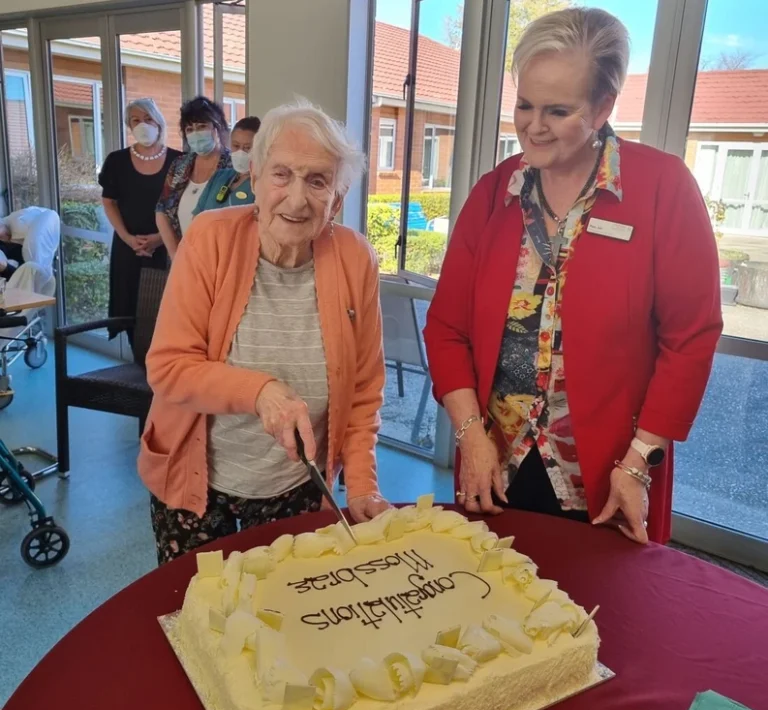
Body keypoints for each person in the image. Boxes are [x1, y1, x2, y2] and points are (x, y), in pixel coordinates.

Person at [424, 8, 722, 546]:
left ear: (604, 107)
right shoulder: (495, 193)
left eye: (558, 110)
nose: (533, 127)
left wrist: (637, 462)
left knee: (606, 618)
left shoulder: (661, 189)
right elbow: (446, 328)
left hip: (608, 473)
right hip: (498, 464)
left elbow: (690, 338)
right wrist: (470, 435)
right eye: (524, 105)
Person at [138, 100, 389, 564]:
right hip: (197, 482)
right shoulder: (211, 239)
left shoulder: (356, 258)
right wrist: (262, 392)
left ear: (339, 196)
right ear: (254, 177)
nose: (296, 199)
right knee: (201, 617)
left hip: (295, 484)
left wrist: (361, 485)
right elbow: (169, 367)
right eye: (282, 175)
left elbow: (364, 389)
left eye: (317, 181)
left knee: (284, 618)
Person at [99, 98, 181, 353]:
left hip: (167, 248)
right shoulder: (117, 161)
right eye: (136, 120)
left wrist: (159, 238)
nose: (142, 125)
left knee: (166, 311)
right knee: (132, 309)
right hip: (128, 249)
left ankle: (165, 374)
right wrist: (127, 238)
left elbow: (184, 206)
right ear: (129, 125)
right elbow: (109, 202)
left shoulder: (180, 161)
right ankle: (139, 371)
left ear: (158, 122)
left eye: (148, 119)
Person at [155, 96, 231, 258]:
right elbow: (162, 210)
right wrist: (175, 255)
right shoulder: (180, 165)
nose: (195, 133)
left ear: (217, 127)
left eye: (202, 126)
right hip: (183, 258)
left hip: (222, 258)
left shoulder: (233, 167)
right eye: (190, 129)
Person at [193, 116, 261, 215]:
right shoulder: (219, 177)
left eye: (247, 147)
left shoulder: (262, 185)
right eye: (236, 146)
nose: (240, 152)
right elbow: (197, 216)